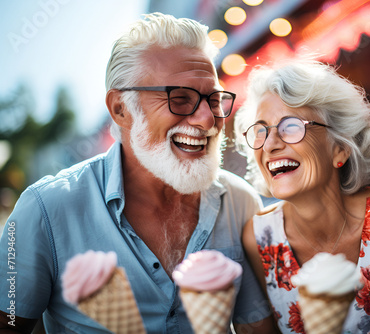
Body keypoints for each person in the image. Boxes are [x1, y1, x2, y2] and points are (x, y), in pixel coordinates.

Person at [0, 13, 276, 333]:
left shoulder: (240, 202)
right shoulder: (44, 209)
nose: (206, 119)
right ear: (121, 109)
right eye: (180, 98)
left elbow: (256, 327)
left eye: (213, 99)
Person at [235, 61, 370, 333]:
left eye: (290, 126)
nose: (270, 144)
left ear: (340, 148)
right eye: (260, 130)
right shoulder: (257, 240)